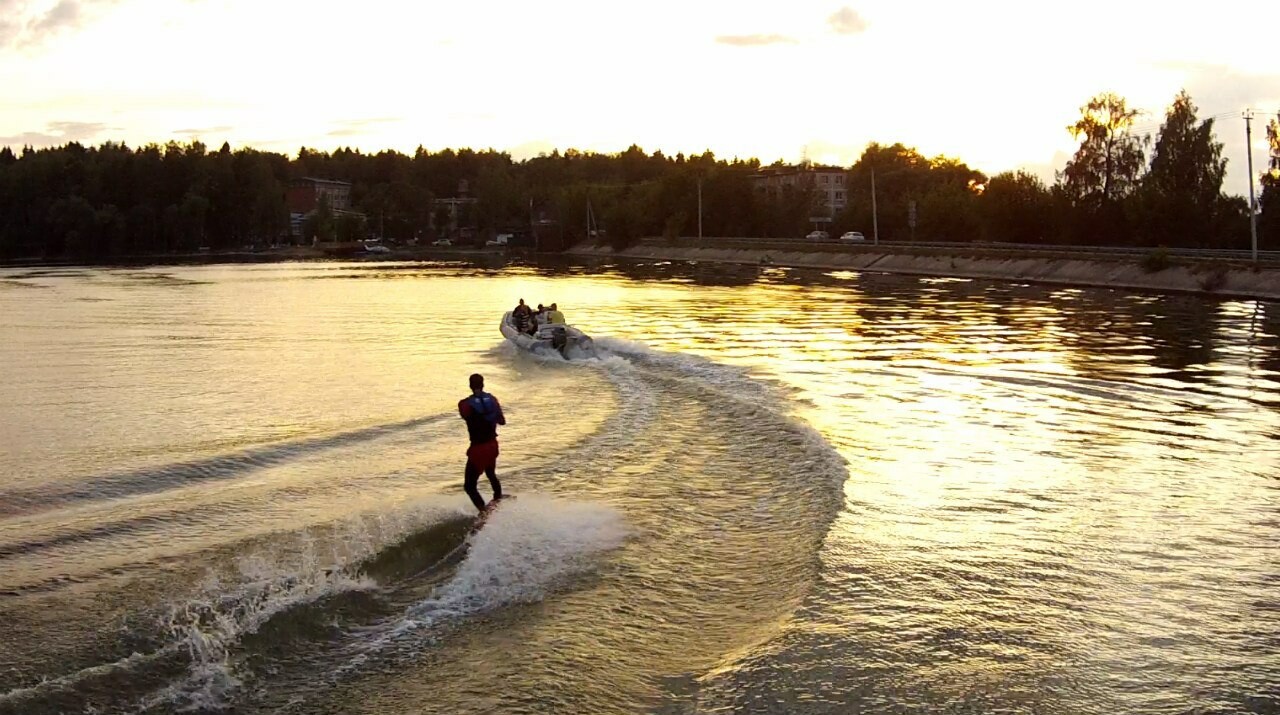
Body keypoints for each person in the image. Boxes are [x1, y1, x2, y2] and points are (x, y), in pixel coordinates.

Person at [458, 373, 506, 512]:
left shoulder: (465, 404)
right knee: (490, 473)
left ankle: (483, 512)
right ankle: (498, 497)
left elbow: (465, 416)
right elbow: (502, 421)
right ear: (483, 384)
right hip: (493, 446)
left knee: (469, 486)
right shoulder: (493, 400)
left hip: (478, 449)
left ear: (470, 386)